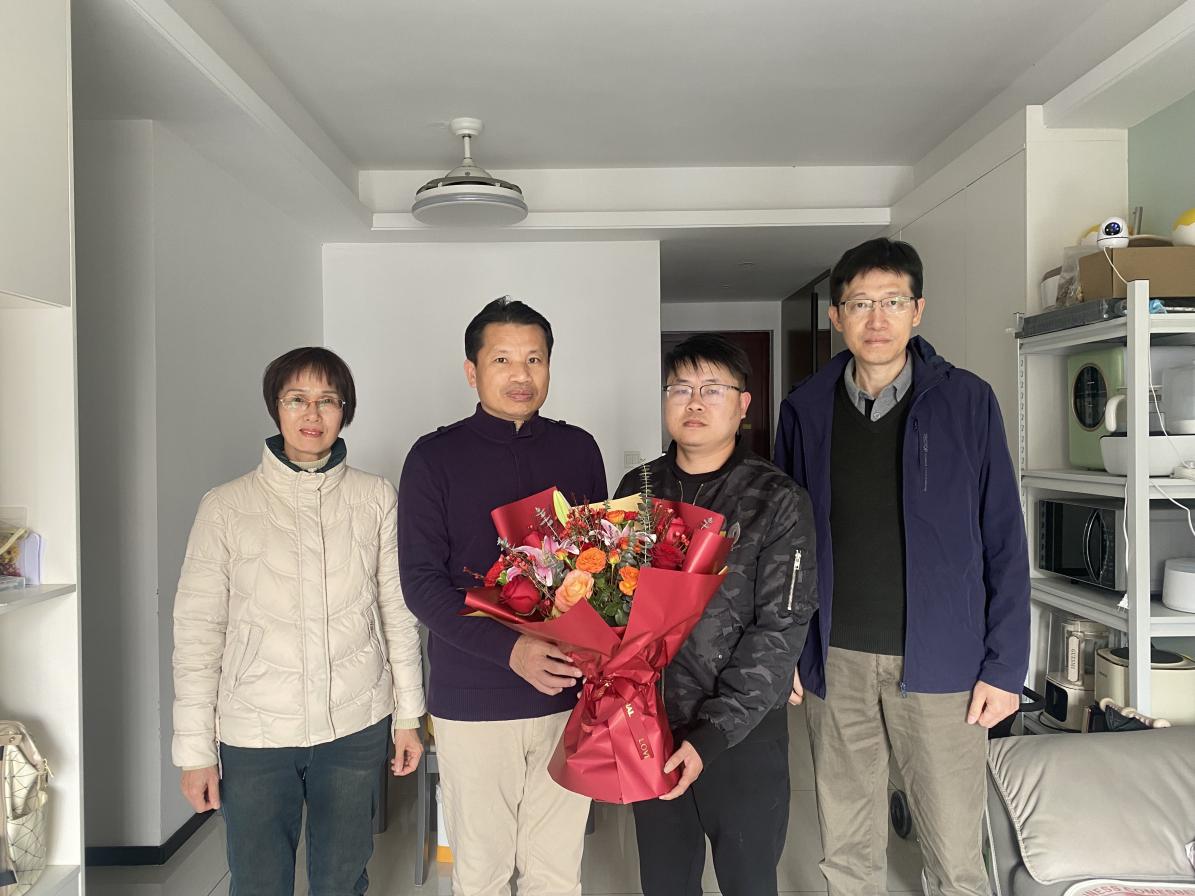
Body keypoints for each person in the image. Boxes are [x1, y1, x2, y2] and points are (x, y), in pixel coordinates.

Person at [775, 238, 1030, 896]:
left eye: (891, 301)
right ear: (837, 316)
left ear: (917, 310)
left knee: (954, 857)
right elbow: (786, 545)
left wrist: (1005, 666)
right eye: (860, 303)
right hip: (836, 659)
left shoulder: (967, 402)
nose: (877, 318)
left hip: (944, 664)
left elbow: (1003, 537)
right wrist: (787, 648)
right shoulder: (804, 409)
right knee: (847, 852)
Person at [172, 347, 425, 896]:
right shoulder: (225, 507)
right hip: (254, 731)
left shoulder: (375, 498)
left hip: (355, 723)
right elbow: (197, 634)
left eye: (327, 400)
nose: (313, 414)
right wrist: (195, 752)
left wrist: (409, 716)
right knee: (258, 882)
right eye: (297, 399)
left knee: (342, 879)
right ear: (276, 408)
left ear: (344, 411)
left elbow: (397, 613)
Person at [398, 297, 607, 896]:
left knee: (556, 870)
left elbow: (600, 569)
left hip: (566, 694)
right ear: (472, 371)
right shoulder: (433, 458)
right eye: (503, 359)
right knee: (481, 871)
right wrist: (510, 650)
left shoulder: (578, 450)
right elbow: (421, 584)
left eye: (535, 359)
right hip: (473, 699)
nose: (522, 375)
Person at [615, 333, 817, 896]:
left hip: (740, 735)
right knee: (665, 880)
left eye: (712, 389)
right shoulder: (638, 490)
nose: (695, 402)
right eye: (680, 388)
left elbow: (780, 628)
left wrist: (712, 736)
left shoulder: (777, 498)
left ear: (743, 404)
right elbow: (615, 607)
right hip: (653, 725)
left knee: (748, 879)